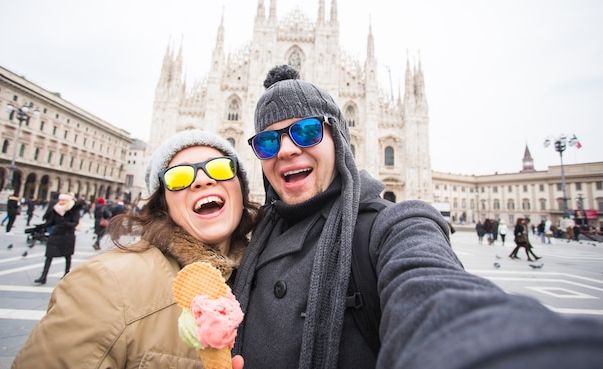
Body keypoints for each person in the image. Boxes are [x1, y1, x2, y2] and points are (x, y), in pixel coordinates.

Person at [231, 65, 603, 369]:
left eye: (307, 131)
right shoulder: (249, 236)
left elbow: (434, 295)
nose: (288, 149)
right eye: (268, 141)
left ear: (339, 139)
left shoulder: (388, 228)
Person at [12, 130, 258, 369]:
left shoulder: (261, 275)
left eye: (221, 167)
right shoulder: (106, 285)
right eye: (179, 176)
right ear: (162, 203)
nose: (203, 179)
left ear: (241, 188)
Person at [33, 192, 81, 284]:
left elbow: (74, 223)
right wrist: (41, 226)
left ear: (68, 201)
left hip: (67, 236)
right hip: (56, 235)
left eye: (63, 200)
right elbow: (51, 221)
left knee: (67, 256)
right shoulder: (56, 209)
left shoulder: (74, 210)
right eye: (60, 200)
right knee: (49, 256)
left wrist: (64, 224)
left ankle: (66, 273)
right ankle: (43, 276)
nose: (61, 202)